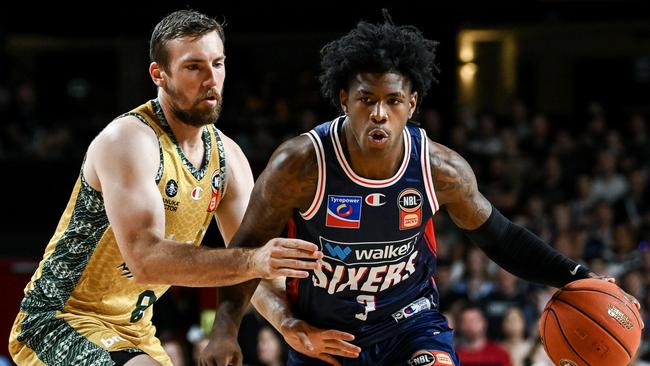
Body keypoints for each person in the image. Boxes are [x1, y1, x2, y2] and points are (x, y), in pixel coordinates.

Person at [200, 11, 640, 366]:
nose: (378, 113)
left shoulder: (440, 169)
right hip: (324, 336)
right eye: (366, 99)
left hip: (410, 326)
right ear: (342, 100)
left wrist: (578, 275)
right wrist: (225, 329)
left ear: (412, 104)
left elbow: (502, 239)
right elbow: (245, 252)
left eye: (392, 101)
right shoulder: (299, 165)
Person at [8, 10, 322, 366]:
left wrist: (289, 323)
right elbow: (146, 260)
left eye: (217, 64)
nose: (211, 79)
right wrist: (254, 261)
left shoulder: (229, 158)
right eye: (194, 67)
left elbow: (253, 271)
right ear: (159, 74)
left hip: (136, 332)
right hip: (57, 322)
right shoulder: (128, 140)